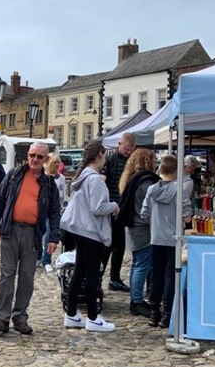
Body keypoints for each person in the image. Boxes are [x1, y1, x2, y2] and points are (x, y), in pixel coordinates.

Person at [0, 141, 60, 335]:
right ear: (27, 156)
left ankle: (20, 317)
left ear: (46, 159)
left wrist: (54, 237)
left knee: (27, 277)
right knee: (7, 275)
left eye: (39, 156)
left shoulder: (49, 184)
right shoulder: (14, 175)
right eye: (32, 155)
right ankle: (1, 318)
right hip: (11, 231)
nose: (34, 159)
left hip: (32, 234)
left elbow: (54, 212)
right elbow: (0, 199)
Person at [60, 141, 119, 332]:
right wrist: (114, 206)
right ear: (100, 154)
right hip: (91, 231)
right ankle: (93, 318)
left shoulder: (84, 176)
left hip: (79, 229)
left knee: (79, 271)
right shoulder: (94, 179)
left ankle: (71, 314)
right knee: (92, 274)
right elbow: (97, 208)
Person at [141, 155, 192, 330]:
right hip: (174, 238)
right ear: (176, 171)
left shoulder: (151, 190)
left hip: (156, 237)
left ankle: (154, 312)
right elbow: (186, 217)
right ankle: (167, 314)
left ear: (161, 170)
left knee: (156, 275)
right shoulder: (180, 190)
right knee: (171, 276)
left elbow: (144, 213)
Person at [118, 149, 159, 317]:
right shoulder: (146, 182)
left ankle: (136, 299)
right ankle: (136, 301)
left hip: (133, 226)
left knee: (137, 264)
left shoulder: (131, 179)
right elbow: (150, 209)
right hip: (143, 227)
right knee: (142, 265)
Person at [102, 132, 136, 292]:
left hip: (123, 208)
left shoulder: (132, 162)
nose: (127, 152)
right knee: (108, 245)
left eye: (130, 150)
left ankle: (114, 278)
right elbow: (104, 184)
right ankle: (101, 276)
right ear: (119, 144)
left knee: (119, 246)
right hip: (110, 207)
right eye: (126, 148)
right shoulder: (109, 160)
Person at [40, 153, 67, 273]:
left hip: (54, 210)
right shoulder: (43, 176)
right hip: (42, 209)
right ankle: (38, 256)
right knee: (38, 235)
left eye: (58, 162)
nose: (57, 164)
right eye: (54, 162)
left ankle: (47, 260)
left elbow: (63, 194)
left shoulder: (61, 178)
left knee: (49, 236)